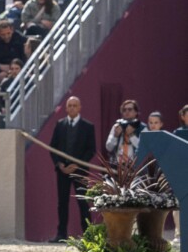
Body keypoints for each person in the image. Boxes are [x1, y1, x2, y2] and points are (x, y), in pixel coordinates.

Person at [48, 96, 96, 241]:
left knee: (83, 201)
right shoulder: (60, 124)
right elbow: (53, 147)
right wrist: (59, 164)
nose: (72, 108)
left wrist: (77, 164)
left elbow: (91, 150)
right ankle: (61, 234)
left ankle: (88, 234)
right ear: (66, 108)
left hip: (80, 171)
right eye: (70, 105)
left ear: (80, 107)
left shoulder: (88, 126)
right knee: (62, 203)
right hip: (63, 171)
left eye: (75, 105)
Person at [104, 100, 143, 166]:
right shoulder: (116, 126)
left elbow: (142, 148)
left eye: (130, 109)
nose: (127, 112)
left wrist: (131, 135)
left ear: (136, 112)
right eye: (124, 110)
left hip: (135, 166)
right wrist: (115, 136)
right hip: (118, 165)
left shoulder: (142, 127)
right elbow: (108, 147)